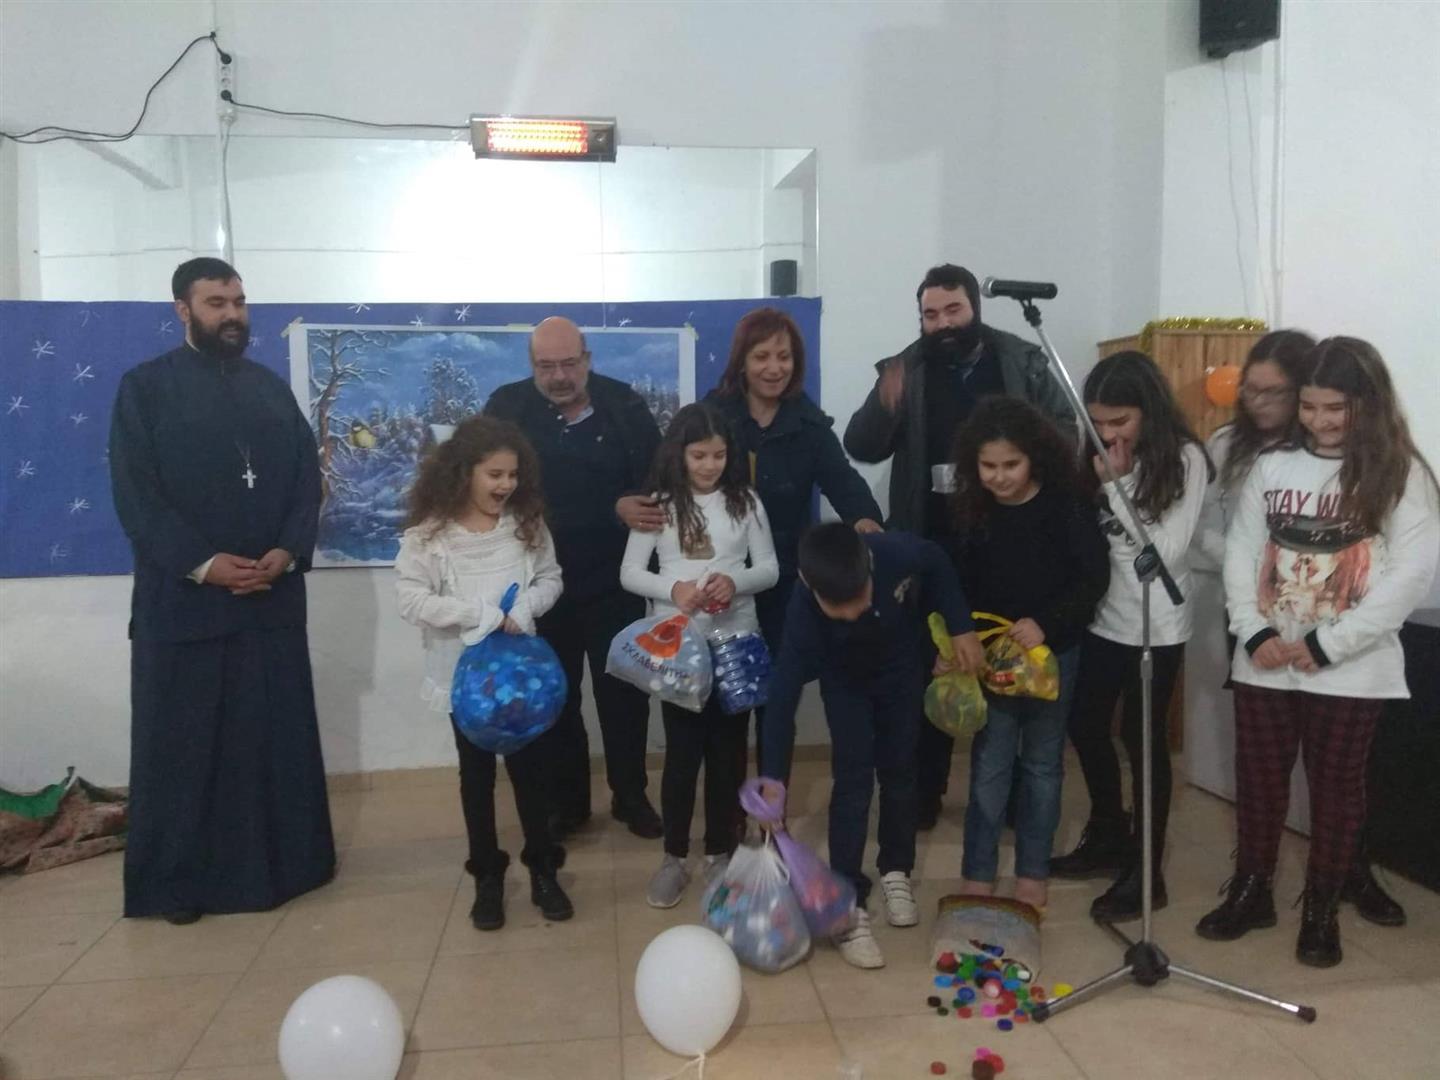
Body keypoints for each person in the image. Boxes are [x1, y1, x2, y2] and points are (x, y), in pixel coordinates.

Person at [1199, 338, 1438, 966]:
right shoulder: (1273, 465)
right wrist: (1254, 633)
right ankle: (1252, 890)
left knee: (1336, 791)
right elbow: (1243, 552)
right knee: (1259, 783)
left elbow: (1409, 577)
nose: (1320, 421)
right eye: (1309, 406)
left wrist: (1329, 645)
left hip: (1351, 668)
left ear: (1369, 403)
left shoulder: (1402, 473)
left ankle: (1322, 907)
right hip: (1266, 660)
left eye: (1336, 408)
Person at [108, 257, 334, 923]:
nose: (233, 315)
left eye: (238, 301)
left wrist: (287, 551)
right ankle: (182, 887)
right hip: (186, 609)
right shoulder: (145, 389)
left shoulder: (269, 389)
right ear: (183, 310)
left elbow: (306, 482)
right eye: (216, 303)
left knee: (271, 745)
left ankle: (288, 871)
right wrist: (204, 564)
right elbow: (136, 497)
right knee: (185, 752)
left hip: (269, 602)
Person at [843, 264, 1076, 827]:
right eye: (931, 314)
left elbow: (1067, 433)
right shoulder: (906, 368)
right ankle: (924, 795)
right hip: (930, 546)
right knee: (933, 670)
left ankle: (1011, 801)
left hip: (1012, 545)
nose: (943, 323)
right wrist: (884, 402)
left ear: (975, 308)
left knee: (1008, 672)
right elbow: (861, 446)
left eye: (953, 310)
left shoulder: (1020, 360)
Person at [761, 523, 984, 968]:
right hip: (846, 685)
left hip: (901, 670)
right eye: (839, 607)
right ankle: (849, 902)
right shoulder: (802, 616)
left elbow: (937, 562)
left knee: (902, 771)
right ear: (808, 584)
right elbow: (781, 702)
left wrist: (961, 627)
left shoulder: (896, 551)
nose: (854, 611)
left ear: (868, 561)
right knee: (853, 783)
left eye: (860, 596)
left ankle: (896, 868)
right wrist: (772, 782)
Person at [1049, 351, 1213, 922]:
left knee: (1143, 741)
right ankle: (1108, 833)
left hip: (1155, 623)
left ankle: (1148, 869)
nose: (1108, 433)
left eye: (1120, 421)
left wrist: (1117, 487)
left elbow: (1164, 552)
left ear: (1149, 411)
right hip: (1104, 616)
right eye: (1098, 422)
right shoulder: (1094, 448)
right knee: (1085, 724)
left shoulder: (1186, 458)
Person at [485, 317, 663, 839]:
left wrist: (632, 507)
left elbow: (654, 480)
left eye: (568, 364)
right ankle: (569, 803)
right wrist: (610, 508)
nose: (559, 376)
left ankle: (631, 796)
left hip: (616, 580)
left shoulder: (624, 404)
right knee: (556, 696)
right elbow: (504, 495)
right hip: (542, 583)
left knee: (625, 695)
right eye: (546, 367)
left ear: (587, 358)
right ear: (531, 365)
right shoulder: (507, 409)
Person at [395, 416, 572, 930]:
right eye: (494, 474)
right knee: (476, 778)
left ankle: (543, 868)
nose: (506, 485)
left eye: (513, 474)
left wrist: (526, 608)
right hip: (466, 686)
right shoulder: (431, 537)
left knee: (531, 776)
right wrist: (479, 615)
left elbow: (550, 578)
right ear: (463, 472)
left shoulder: (525, 526)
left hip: (522, 684)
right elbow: (411, 600)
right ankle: (487, 876)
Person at [947, 398, 1110, 911]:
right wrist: (959, 639)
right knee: (990, 765)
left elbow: (1093, 579)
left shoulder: (1068, 504)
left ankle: (1032, 870)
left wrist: (1046, 625)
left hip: (1054, 655)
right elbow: (959, 583)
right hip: (992, 658)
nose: (999, 477)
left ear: (1034, 458)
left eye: (1010, 465)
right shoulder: (972, 508)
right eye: (988, 466)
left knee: (1042, 764)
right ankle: (978, 870)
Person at [705, 307, 883, 774]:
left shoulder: (809, 425)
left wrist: (865, 519)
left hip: (785, 582)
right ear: (742, 361)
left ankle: (770, 800)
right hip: (723, 584)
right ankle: (730, 807)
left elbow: (845, 484)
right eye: (761, 356)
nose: (774, 368)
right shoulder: (712, 416)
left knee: (777, 703)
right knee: (727, 703)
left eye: (783, 357)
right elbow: (677, 480)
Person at [619, 403, 779, 908]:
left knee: (728, 753)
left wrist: (736, 581)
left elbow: (770, 568)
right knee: (683, 755)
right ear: (679, 454)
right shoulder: (660, 505)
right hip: (678, 649)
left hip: (735, 643)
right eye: (699, 455)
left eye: (719, 455)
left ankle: (719, 852)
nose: (710, 465)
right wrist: (675, 589)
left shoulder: (745, 501)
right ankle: (674, 857)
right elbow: (630, 573)